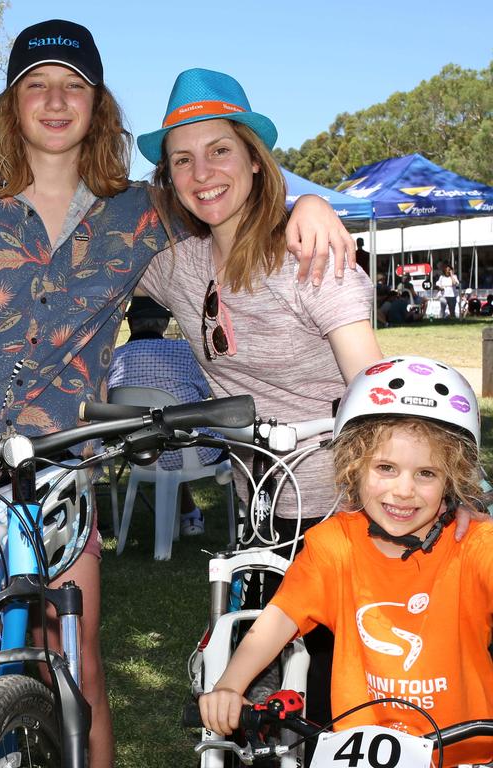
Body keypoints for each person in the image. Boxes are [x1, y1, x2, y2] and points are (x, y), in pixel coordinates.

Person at [0, 23, 355, 767]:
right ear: (10, 105)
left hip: (57, 467)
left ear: (99, 106)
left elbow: (225, 195)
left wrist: (305, 206)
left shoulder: (137, 213)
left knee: (80, 666)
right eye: (36, 83)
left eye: (75, 85)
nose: (56, 100)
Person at [136, 68, 384, 724]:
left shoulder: (310, 257)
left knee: (346, 701)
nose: (202, 172)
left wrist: (308, 203)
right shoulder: (177, 267)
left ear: (253, 158)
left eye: (220, 149)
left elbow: (372, 382)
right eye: (181, 160)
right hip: (263, 515)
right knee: (262, 703)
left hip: (351, 512)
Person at [197, 356, 491, 768]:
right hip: (362, 753)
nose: (403, 490)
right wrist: (230, 684)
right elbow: (279, 619)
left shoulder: (476, 544)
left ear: (452, 479)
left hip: (465, 752)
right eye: (386, 468)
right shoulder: (335, 544)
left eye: (426, 474)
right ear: (355, 465)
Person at [107, 296, 224, 535]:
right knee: (195, 434)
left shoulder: (112, 359)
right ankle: (244, 519)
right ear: (163, 323)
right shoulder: (184, 351)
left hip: (140, 454)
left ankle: (189, 515)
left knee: (165, 436)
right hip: (193, 451)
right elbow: (209, 392)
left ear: (131, 323)